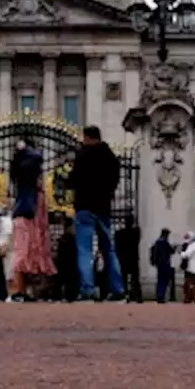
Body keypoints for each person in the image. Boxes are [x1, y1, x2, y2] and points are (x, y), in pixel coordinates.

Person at [70, 126, 125, 302]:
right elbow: (115, 180)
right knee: (109, 249)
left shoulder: (82, 155)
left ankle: (87, 289)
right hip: (102, 207)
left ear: (87, 137)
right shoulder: (110, 156)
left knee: (85, 250)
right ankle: (118, 288)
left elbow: (73, 179)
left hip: (84, 207)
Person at [9, 137, 55, 300]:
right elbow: (36, 157)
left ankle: (30, 291)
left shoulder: (28, 176)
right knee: (24, 252)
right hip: (25, 215)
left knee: (34, 253)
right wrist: (24, 148)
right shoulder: (24, 171)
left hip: (35, 219)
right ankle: (20, 290)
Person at [115, 218, 142, 303]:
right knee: (135, 279)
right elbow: (138, 231)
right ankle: (138, 296)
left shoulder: (121, 233)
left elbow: (117, 238)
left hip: (125, 259)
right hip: (133, 258)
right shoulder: (135, 232)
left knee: (124, 279)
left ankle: (126, 295)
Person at [149, 228, 174, 303]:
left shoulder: (157, 242)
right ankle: (161, 296)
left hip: (159, 264)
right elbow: (171, 251)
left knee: (160, 280)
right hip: (165, 263)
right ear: (165, 234)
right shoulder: (164, 242)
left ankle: (159, 295)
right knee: (164, 280)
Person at [181, 232, 195, 304]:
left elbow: (186, 255)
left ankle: (190, 298)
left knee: (190, 283)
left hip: (191, 267)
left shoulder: (192, 246)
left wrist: (181, 253)